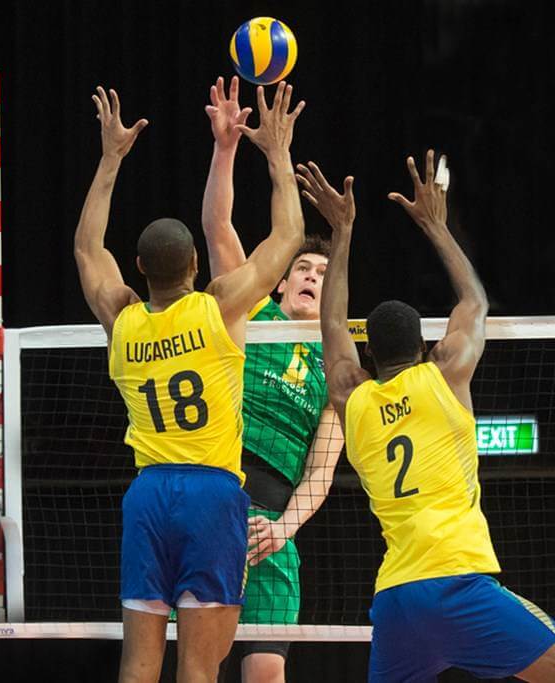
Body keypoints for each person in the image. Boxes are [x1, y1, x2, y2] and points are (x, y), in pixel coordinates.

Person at [307, 150, 555, 682]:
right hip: (457, 584)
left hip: (397, 600)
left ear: (369, 358)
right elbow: (474, 300)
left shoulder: (351, 397)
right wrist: (434, 225)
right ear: (426, 345)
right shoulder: (444, 374)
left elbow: (332, 326)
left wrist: (343, 232)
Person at [73, 83, 305, 683]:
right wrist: (276, 155)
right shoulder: (219, 308)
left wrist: (110, 158)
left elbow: (86, 247)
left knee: (137, 665)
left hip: (148, 495)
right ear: (197, 268)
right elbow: (286, 240)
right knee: (200, 668)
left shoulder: (121, 319)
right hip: (212, 498)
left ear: (141, 268)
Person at [200, 75, 345, 683]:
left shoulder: (338, 368)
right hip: (217, 501)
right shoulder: (250, 311)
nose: (312, 275)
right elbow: (218, 230)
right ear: (282, 282)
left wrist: (281, 531)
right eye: (303, 267)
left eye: (324, 271)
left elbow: (321, 472)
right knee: (197, 667)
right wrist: (226, 149)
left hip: (275, 527)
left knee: (266, 675)